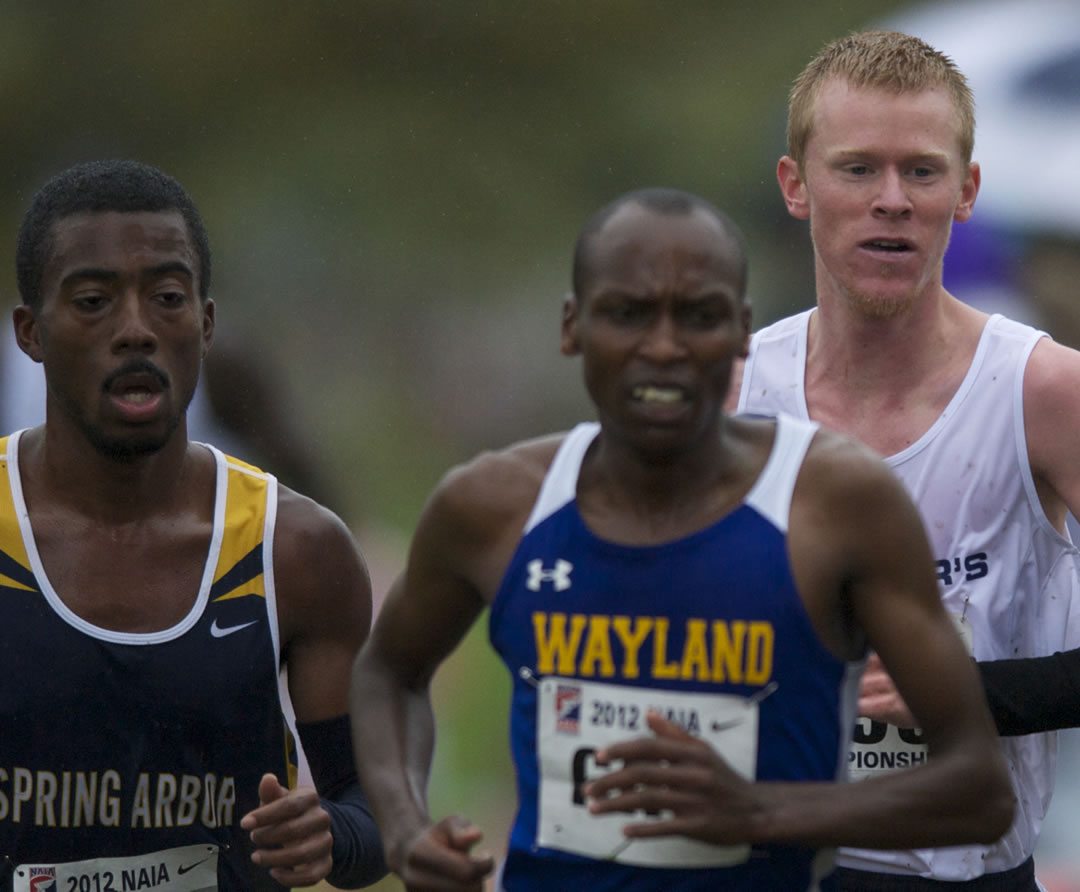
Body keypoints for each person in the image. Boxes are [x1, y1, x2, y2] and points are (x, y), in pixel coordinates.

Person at [350, 186, 1014, 892]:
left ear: (740, 333)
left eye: (697, 317)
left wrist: (763, 810)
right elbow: (388, 671)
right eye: (629, 314)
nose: (663, 347)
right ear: (573, 327)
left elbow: (979, 791)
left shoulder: (837, 504)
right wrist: (404, 829)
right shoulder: (492, 507)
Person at [730, 29, 1080, 890]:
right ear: (797, 187)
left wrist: (965, 694)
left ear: (968, 190)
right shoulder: (733, 393)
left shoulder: (1042, 390)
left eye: (922, 171)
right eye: (857, 168)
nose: (892, 200)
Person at [0, 159, 387, 891]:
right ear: (31, 333)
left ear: (205, 325)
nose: (136, 330)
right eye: (92, 301)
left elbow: (379, 805)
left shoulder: (297, 552)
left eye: (168, 297)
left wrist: (332, 836)